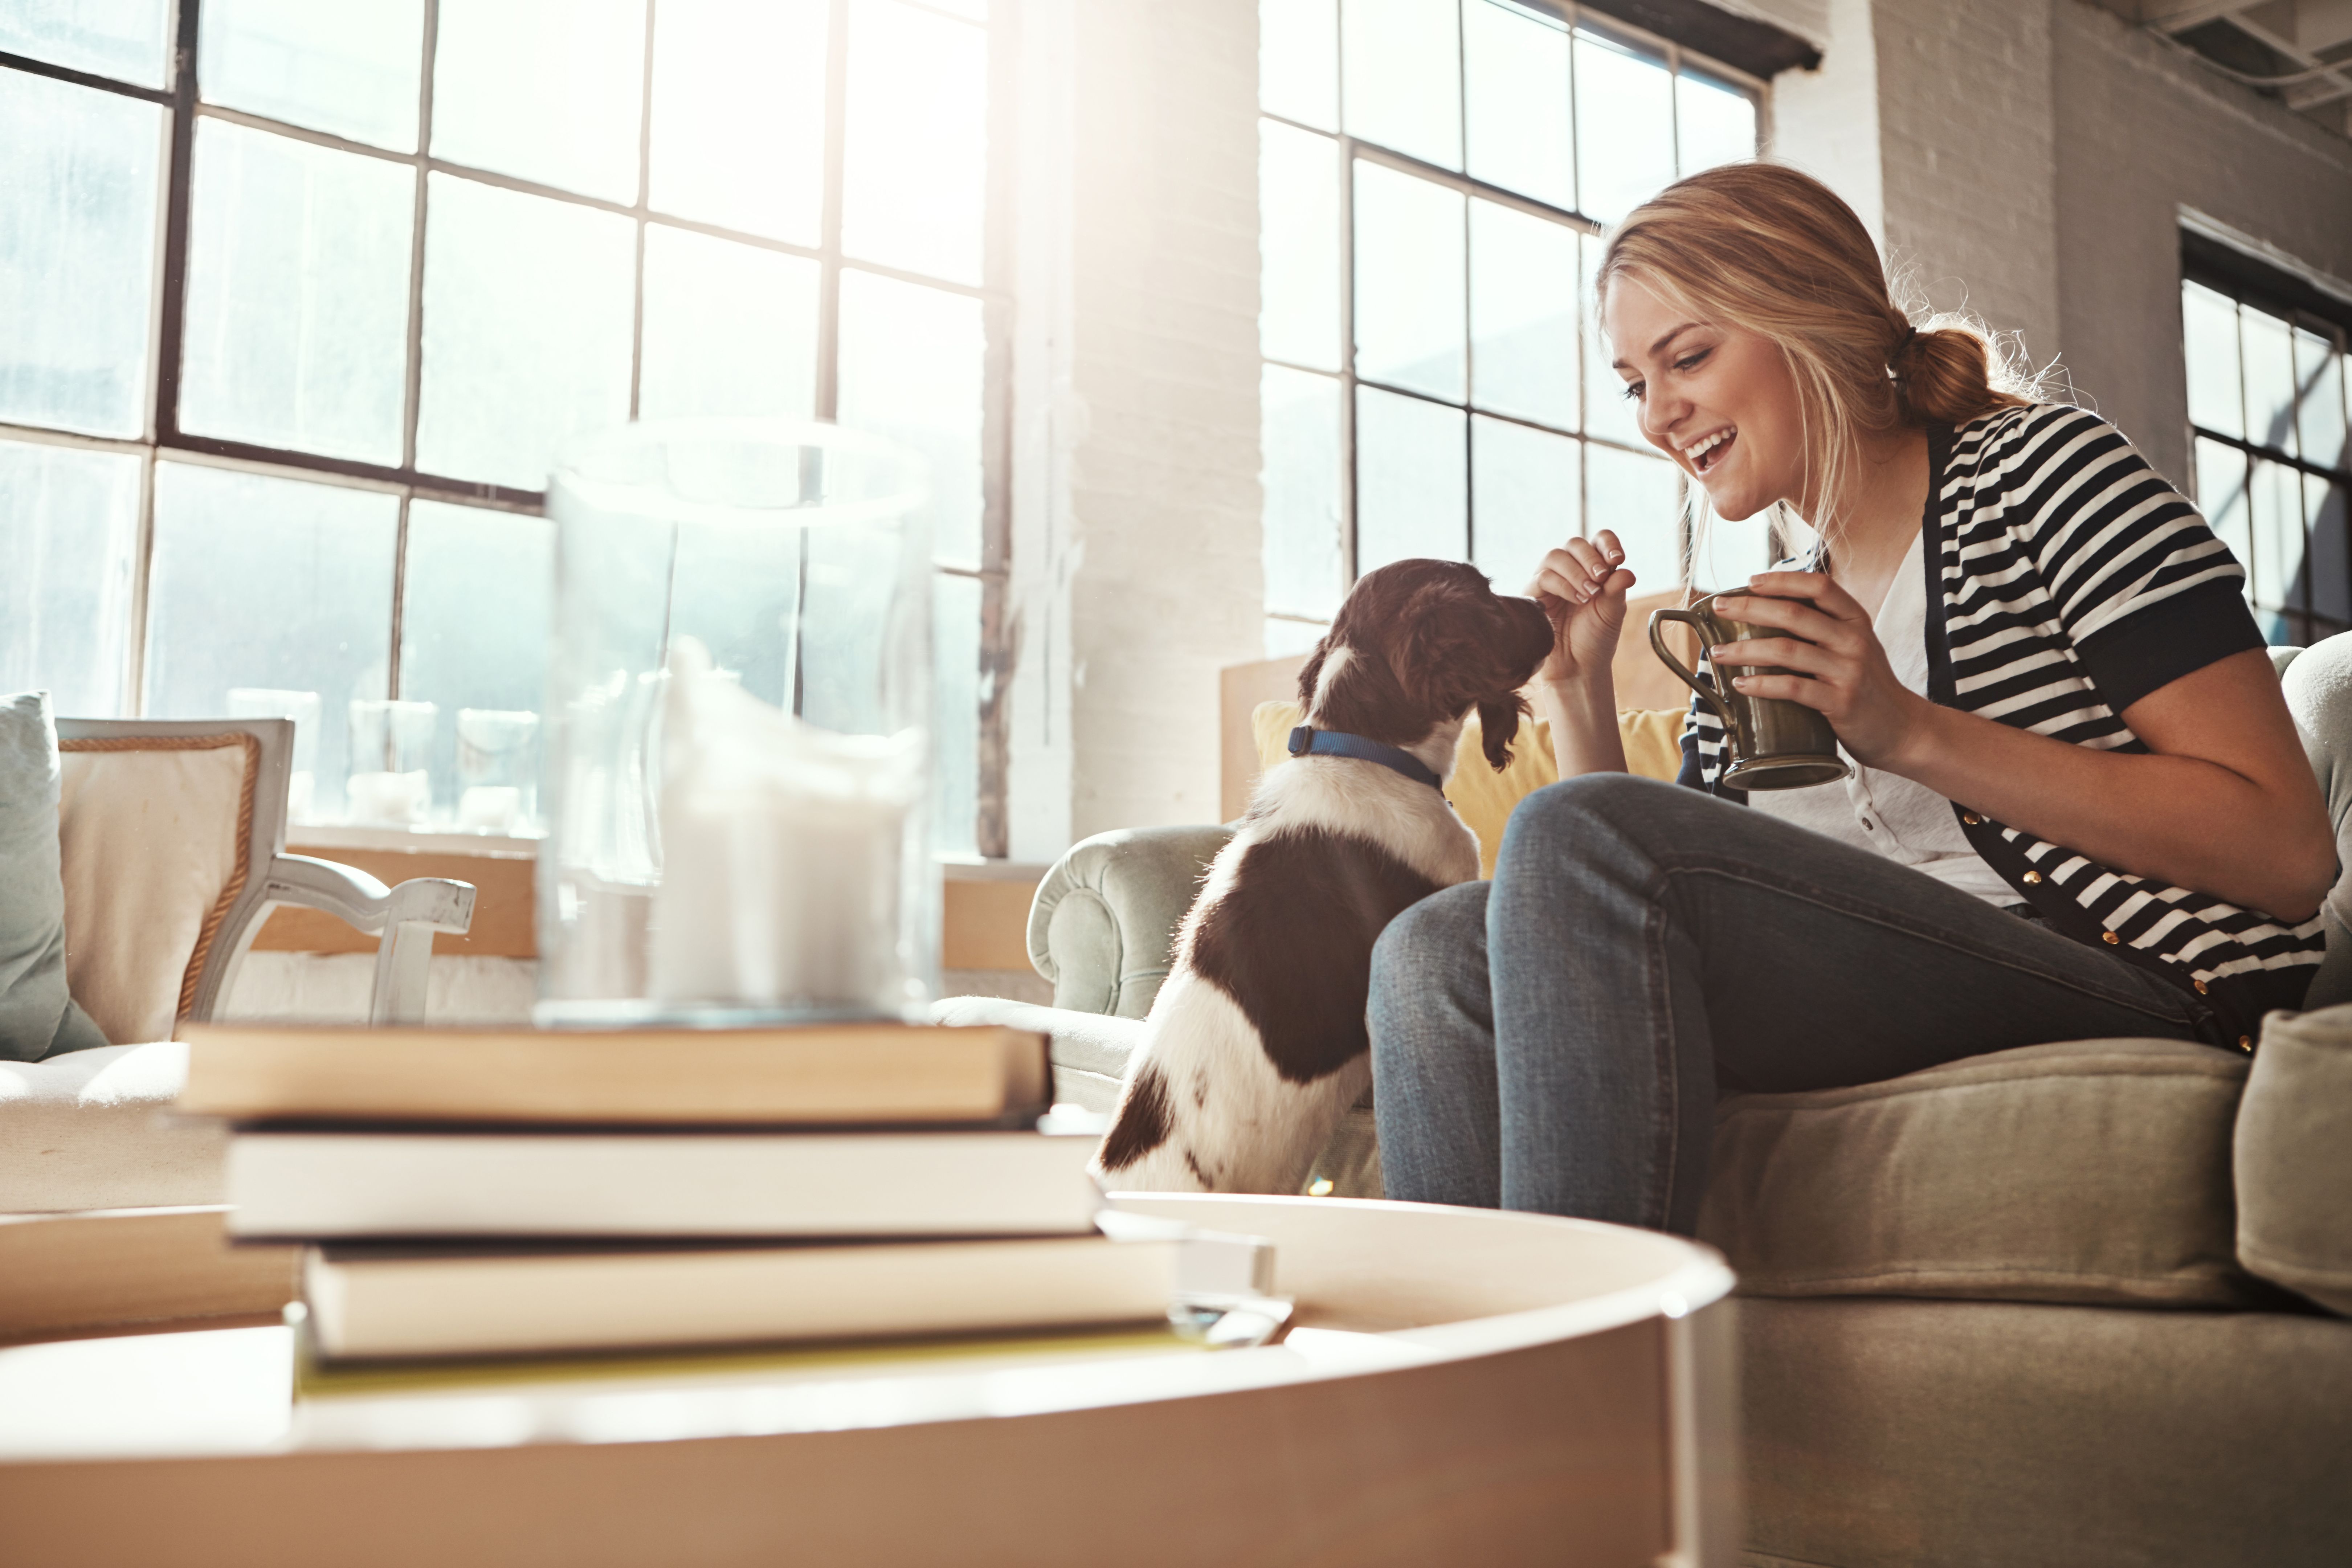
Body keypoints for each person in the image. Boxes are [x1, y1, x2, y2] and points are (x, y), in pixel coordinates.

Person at [1367, 163, 2337, 1235]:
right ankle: (1496, 1344)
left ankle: (1599, 1336)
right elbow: (1624, 913)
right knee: (1432, 951)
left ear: (1812, 319)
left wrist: (1907, 729)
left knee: (1567, 846)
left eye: (1688, 357)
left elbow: (2287, 852)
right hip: (1876, 992)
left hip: (2135, 978)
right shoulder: (1761, 616)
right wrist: (1572, 686)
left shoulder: (2043, 476)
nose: (1659, 415)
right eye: (1635, 384)